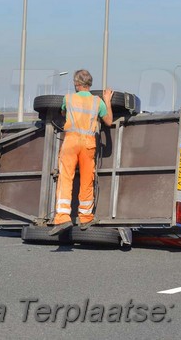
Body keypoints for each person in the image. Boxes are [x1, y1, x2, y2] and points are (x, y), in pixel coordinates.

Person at [49, 69, 113, 236]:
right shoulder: (97, 102)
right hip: (88, 144)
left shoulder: (68, 98)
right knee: (87, 180)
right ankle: (85, 218)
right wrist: (107, 100)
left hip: (70, 142)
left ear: (76, 84)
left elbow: (63, 112)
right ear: (89, 84)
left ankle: (63, 218)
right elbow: (109, 121)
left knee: (65, 178)